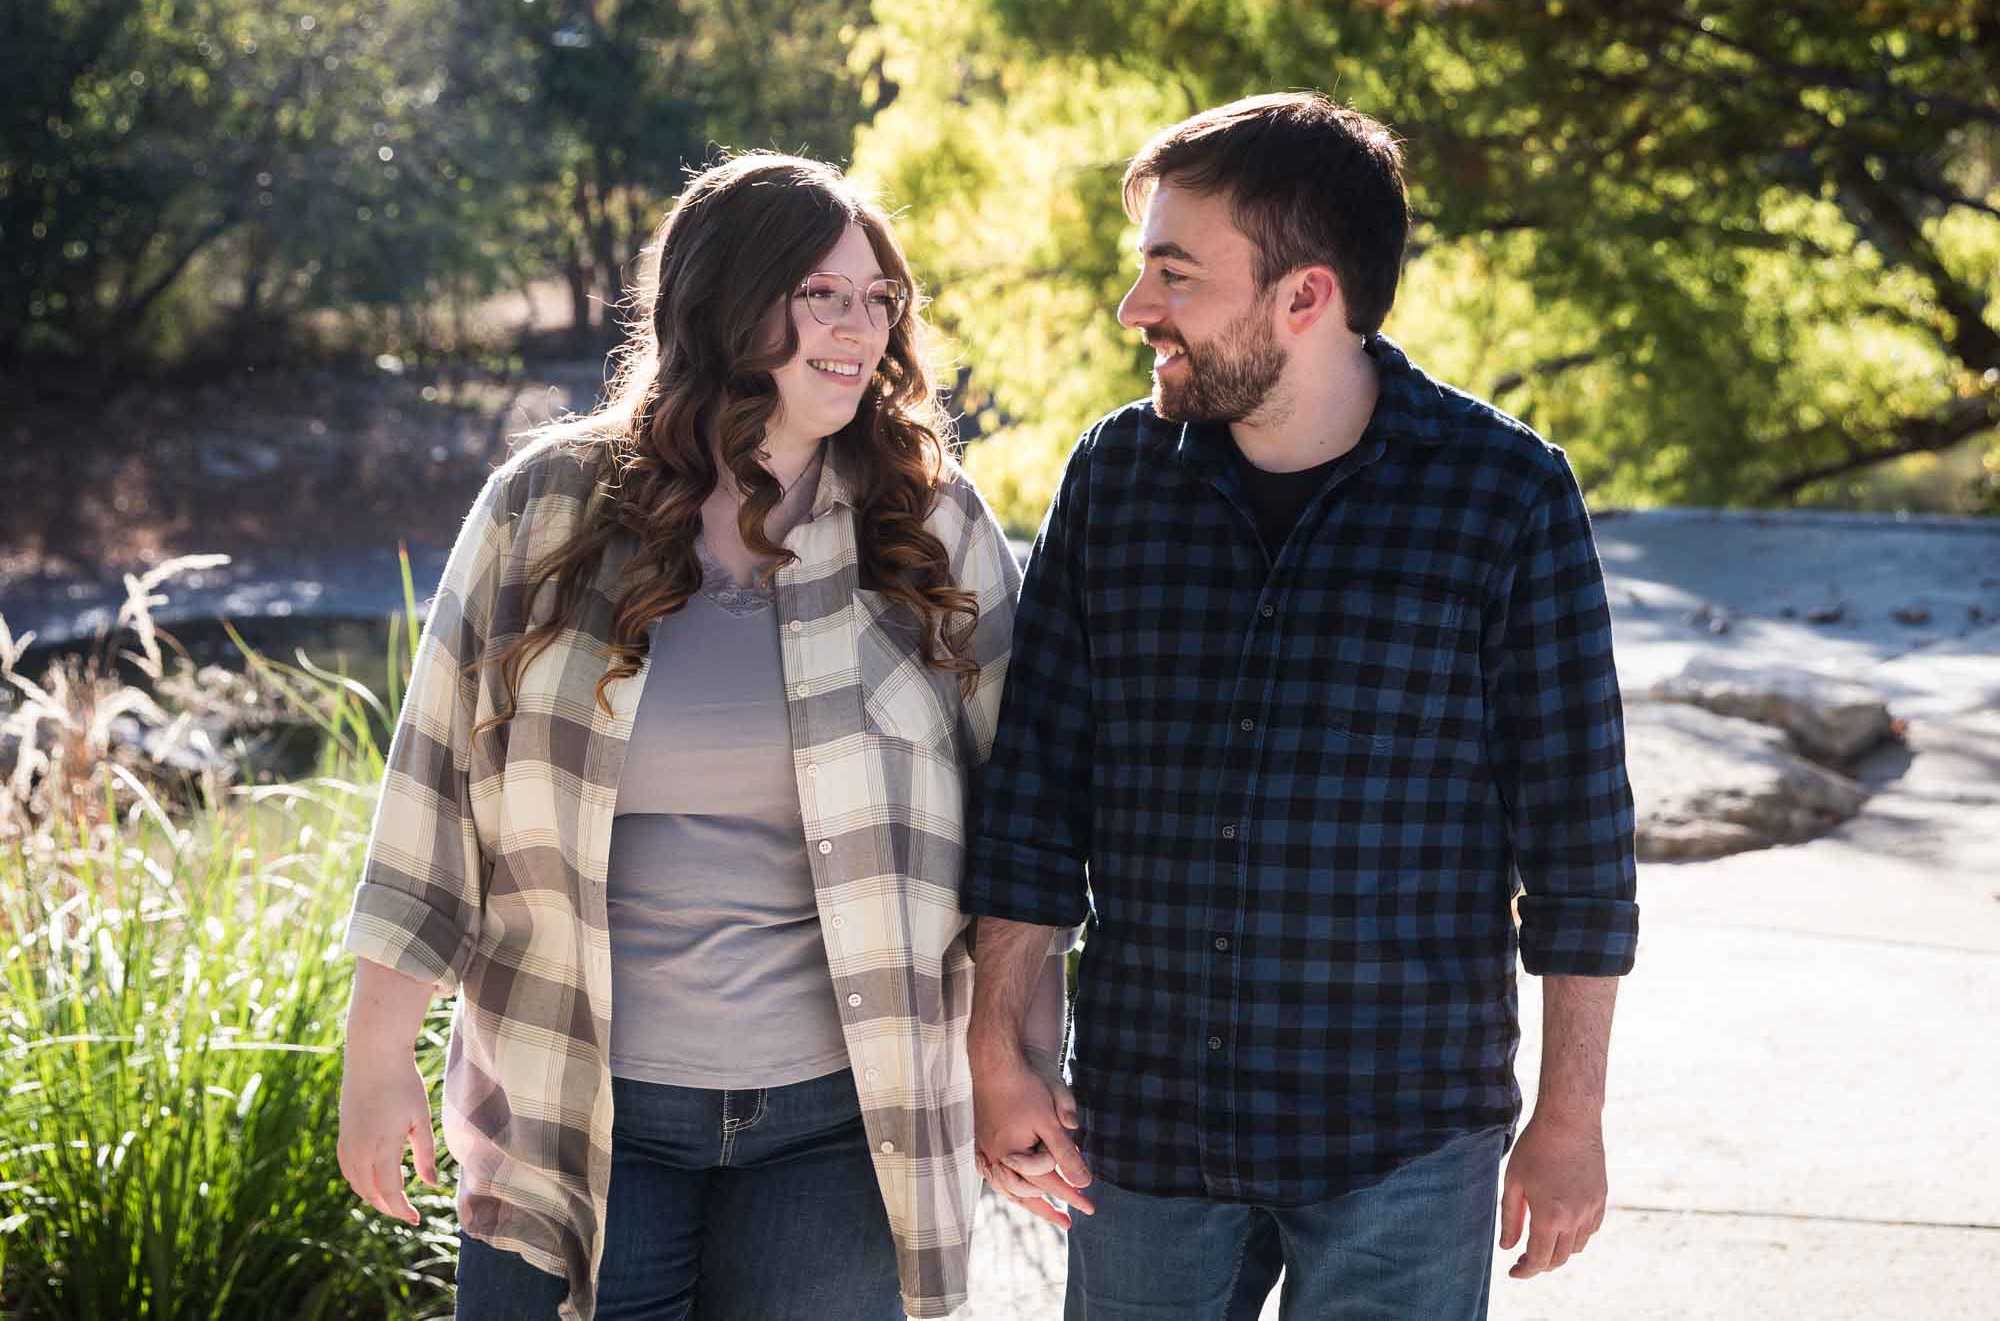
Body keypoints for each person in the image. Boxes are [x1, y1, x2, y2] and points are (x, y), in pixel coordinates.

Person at [335, 153, 1066, 1321]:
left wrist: (1016, 1058)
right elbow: (431, 794)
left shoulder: (928, 526)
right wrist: (376, 1061)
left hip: (839, 1127)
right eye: (820, 294)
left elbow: (1021, 823)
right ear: (728, 301)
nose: (860, 327)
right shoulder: (545, 509)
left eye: (878, 298)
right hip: (574, 1112)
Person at [964, 93, 1640, 1320]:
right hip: (1144, 1137)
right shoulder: (1112, 481)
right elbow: (1032, 802)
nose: (1134, 309)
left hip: (1401, 1144)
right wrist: (996, 1050)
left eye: (1174, 275)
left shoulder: (1504, 496)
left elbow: (1578, 849)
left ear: (1304, 298)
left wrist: (1569, 1117)